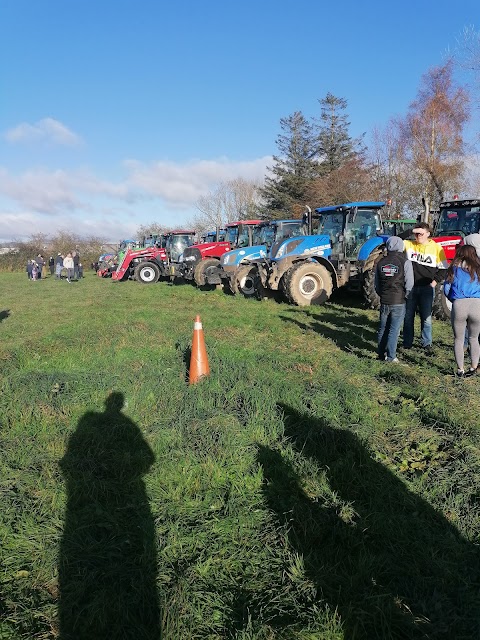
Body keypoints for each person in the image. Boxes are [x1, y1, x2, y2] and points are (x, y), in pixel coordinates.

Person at [403, 222, 448, 354]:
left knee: (426, 318)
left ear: (428, 234)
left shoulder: (436, 248)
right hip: (410, 288)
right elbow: (394, 240)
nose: (418, 236)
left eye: (421, 233)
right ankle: (407, 342)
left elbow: (444, 269)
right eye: (416, 233)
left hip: (426, 288)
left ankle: (426, 343)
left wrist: (433, 284)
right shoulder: (409, 244)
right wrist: (411, 231)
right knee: (408, 316)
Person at [374, 236, 414, 362]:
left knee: (382, 328)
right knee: (394, 330)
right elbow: (409, 283)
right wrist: (406, 296)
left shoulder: (380, 262)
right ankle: (391, 356)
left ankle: (380, 354)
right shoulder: (405, 262)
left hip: (384, 300)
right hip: (399, 300)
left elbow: (376, 284)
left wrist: (382, 295)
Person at [443, 244, 480, 377]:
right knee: (474, 338)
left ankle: (460, 369)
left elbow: (446, 289)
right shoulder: (478, 269)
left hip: (459, 304)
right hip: (477, 304)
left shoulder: (453, 269)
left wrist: (454, 299)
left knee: (458, 339)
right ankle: (474, 367)